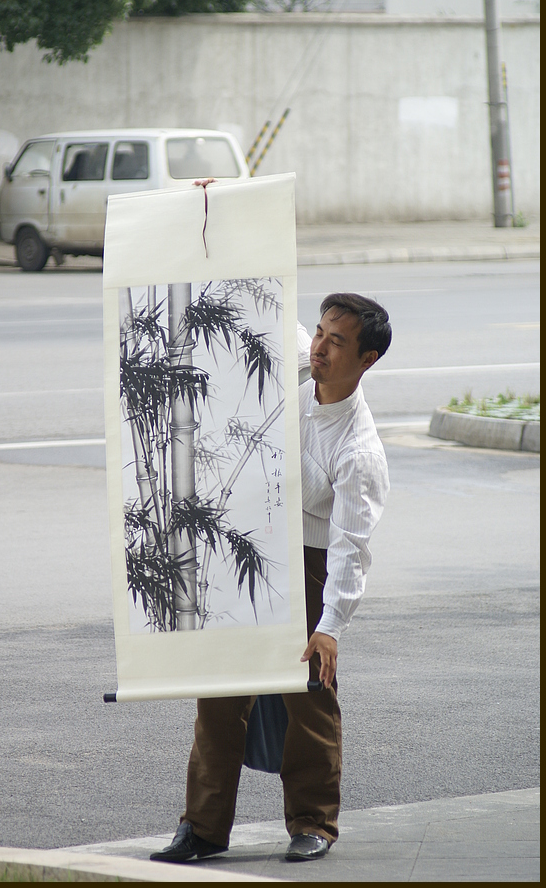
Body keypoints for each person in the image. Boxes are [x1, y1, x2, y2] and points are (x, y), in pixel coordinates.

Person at [150, 292, 392, 864]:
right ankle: (203, 828)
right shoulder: (292, 374)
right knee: (218, 693)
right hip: (246, 548)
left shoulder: (359, 450)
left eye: (338, 341)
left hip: (306, 567)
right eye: (321, 333)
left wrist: (330, 626)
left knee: (308, 699)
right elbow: (251, 289)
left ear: (368, 358)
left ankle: (314, 823)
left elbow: (351, 549)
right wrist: (217, 207)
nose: (321, 346)